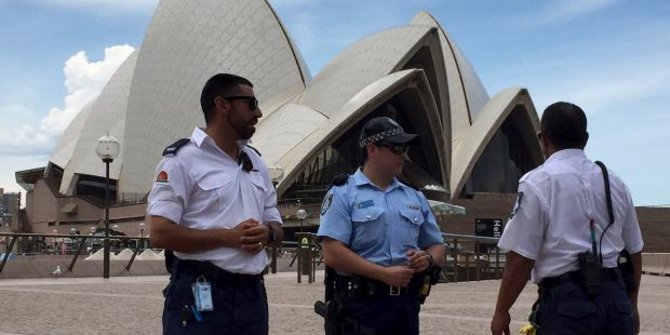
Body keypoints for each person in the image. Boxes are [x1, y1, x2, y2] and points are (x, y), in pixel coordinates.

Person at [490, 102, 644, 335]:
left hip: (568, 305)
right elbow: (634, 251)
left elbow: (521, 256)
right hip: (615, 301)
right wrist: (631, 305)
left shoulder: (538, 181)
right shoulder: (615, 183)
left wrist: (501, 311)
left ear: (544, 138)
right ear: (585, 138)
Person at [147, 73, 284, 335]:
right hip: (200, 288)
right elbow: (159, 232)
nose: (259, 112)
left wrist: (268, 233)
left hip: (252, 295)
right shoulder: (182, 160)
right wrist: (228, 237)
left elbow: (275, 223)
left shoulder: (257, 163)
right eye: (251, 103)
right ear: (223, 105)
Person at [317, 116, 446, 335]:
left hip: (405, 307)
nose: (403, 155)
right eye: (395, 147)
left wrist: (428, 259)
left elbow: (437, 246)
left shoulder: (414, 196)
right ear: (372, 148)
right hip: (359, 307)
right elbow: (332, 253)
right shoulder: (342, 193)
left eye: (404, 148)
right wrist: (382, 274)